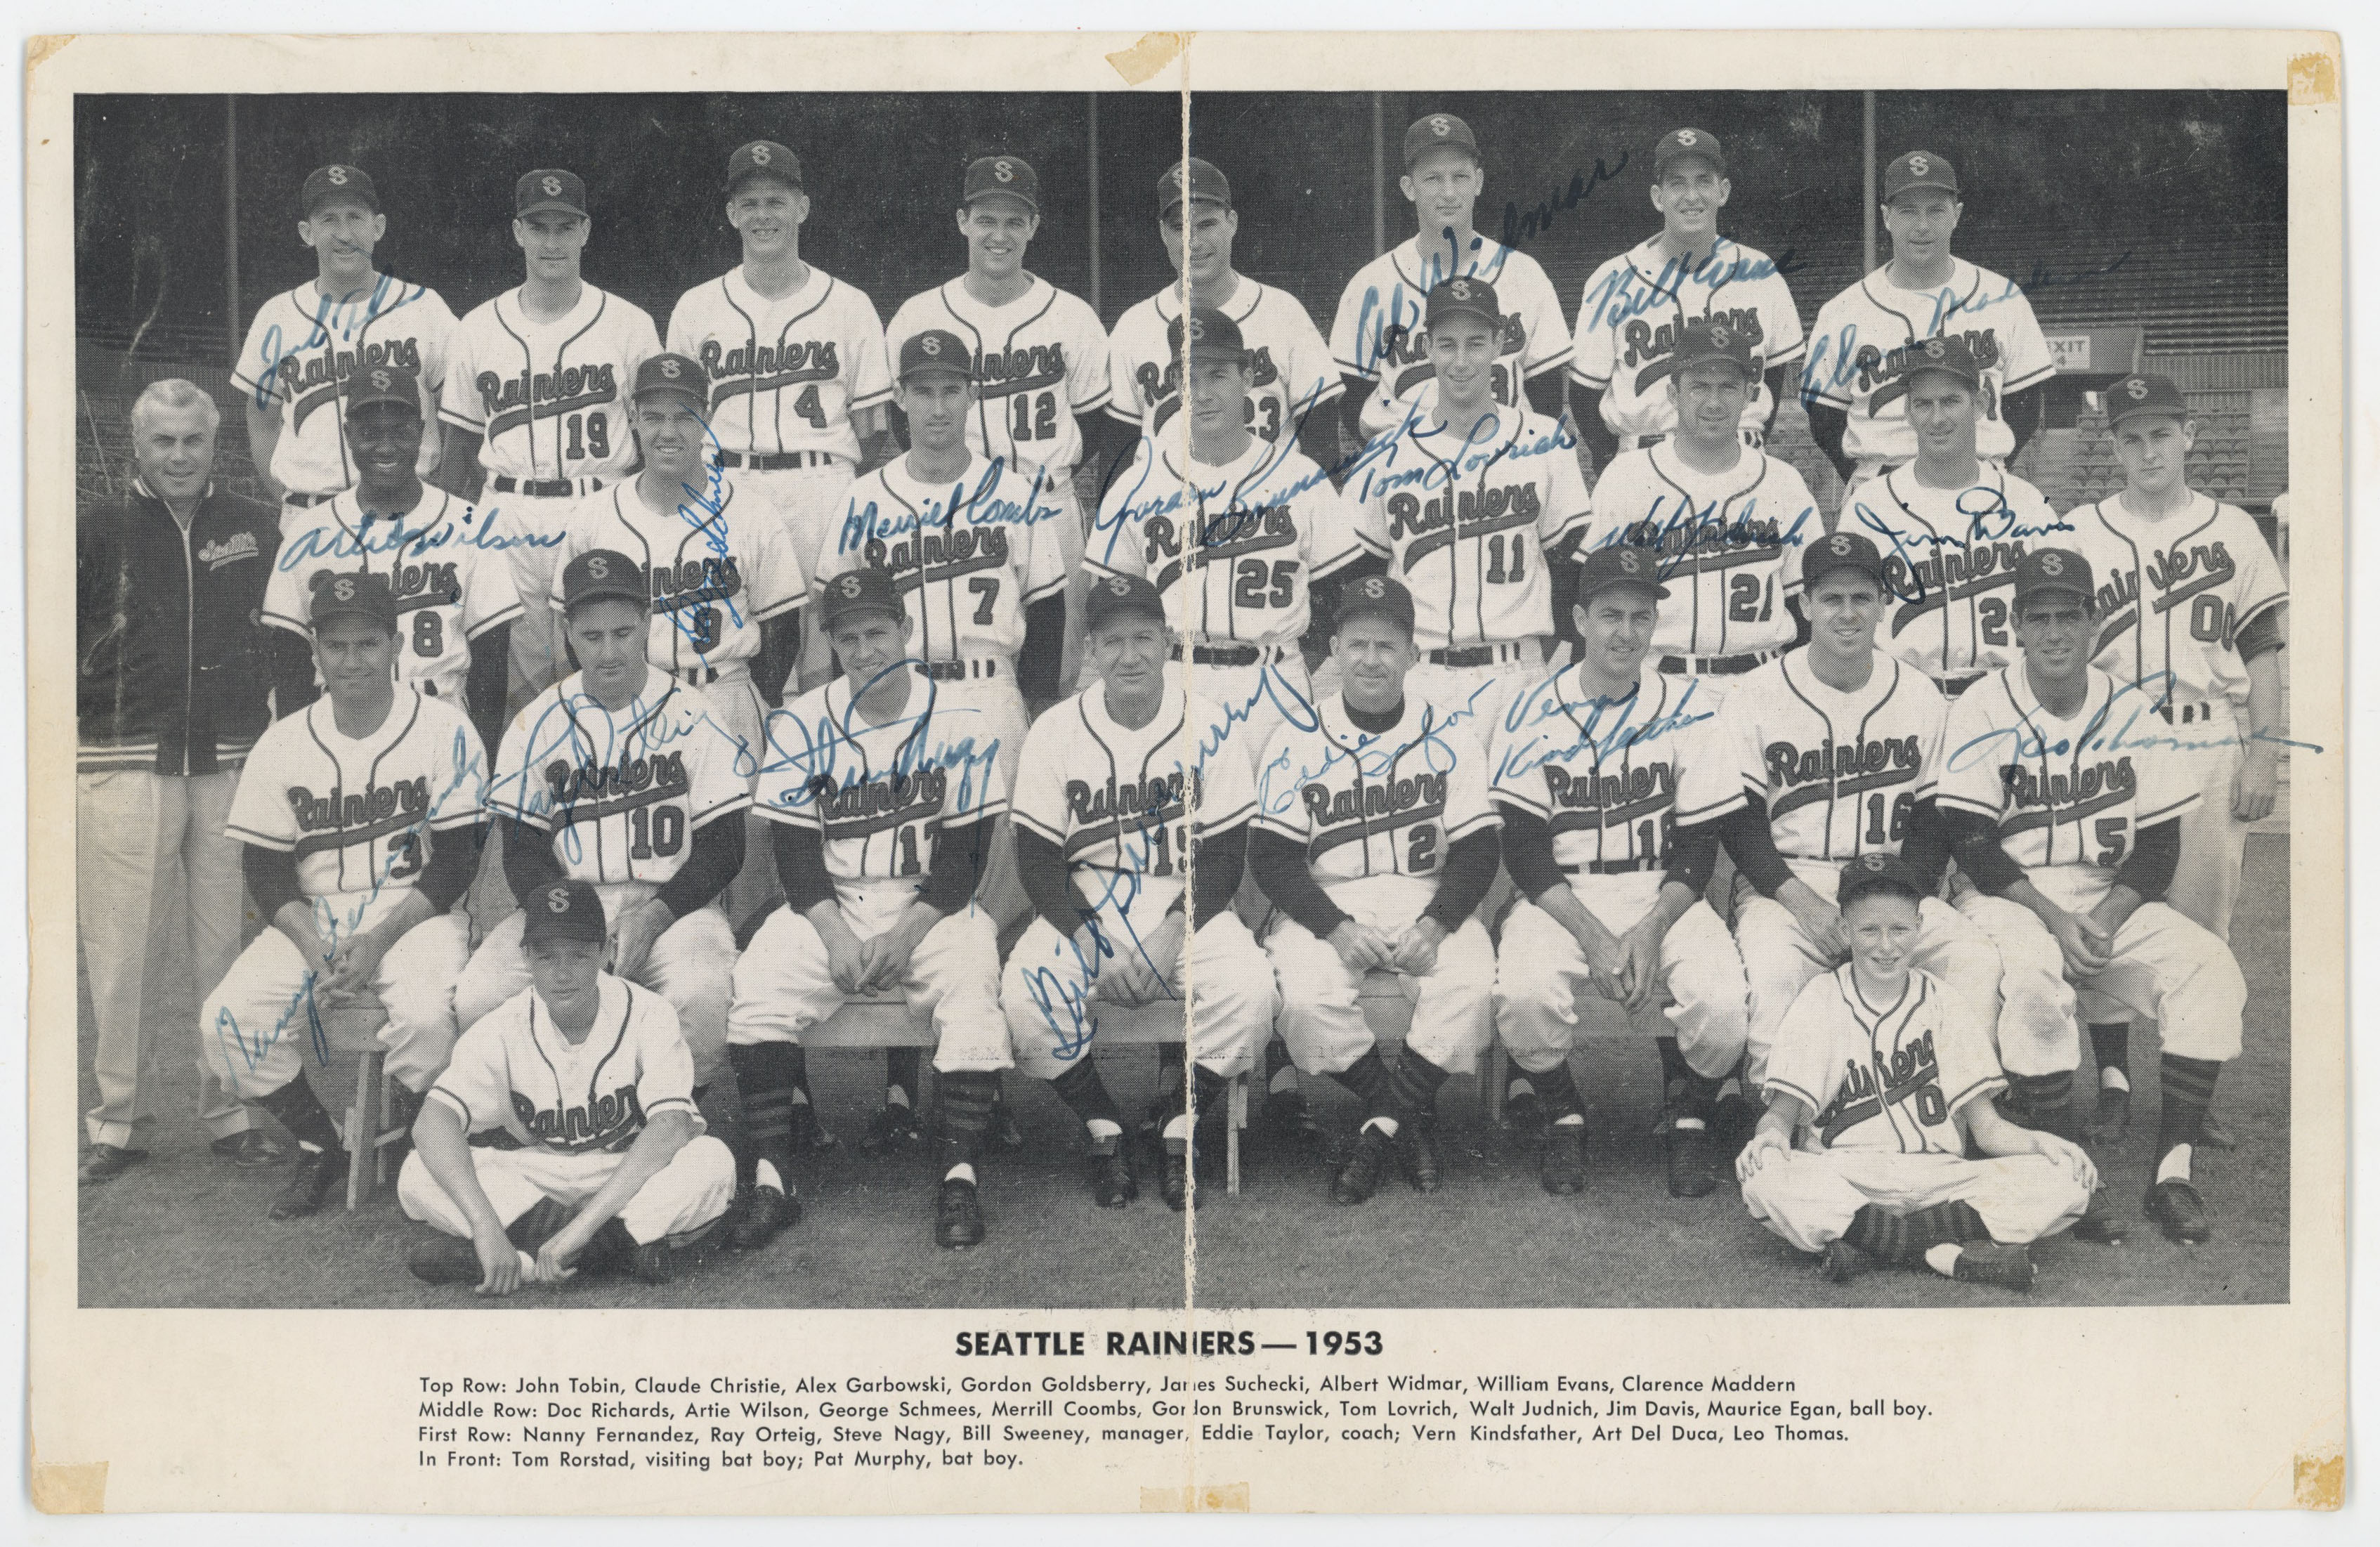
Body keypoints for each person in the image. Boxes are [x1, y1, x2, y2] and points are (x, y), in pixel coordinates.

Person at [1937, 548, 2249, 1244]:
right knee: (2033, 982)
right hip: (2009, 897)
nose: (2055, 632)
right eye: (2039, 617)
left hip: (2109, 895)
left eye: (2069, 616)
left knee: (2208, 966)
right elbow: (1971, 842)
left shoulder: (2131, 709)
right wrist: (2055, 919)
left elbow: (2159, 846)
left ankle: (2172, 1171)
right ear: (2015, 626)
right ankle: (2062, 1172)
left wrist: (2103, 919)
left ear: (2093, 623)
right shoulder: (1981, 706)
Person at [813, 328, 1071, 1146]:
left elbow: (1050, 611)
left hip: (989, 691)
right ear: (898, 401)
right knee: (901, 876)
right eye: (921, 391)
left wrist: (1034, 714)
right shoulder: (864, 497)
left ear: (971, 396)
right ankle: (898, 1089)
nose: (936, 406)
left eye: (950, 390)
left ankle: (979, 1080)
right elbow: (835, 613)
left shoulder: (1015, 492)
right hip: (896, 700)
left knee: (995, 891)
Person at [726, 569, 1011, 1250]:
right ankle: (773, 1182)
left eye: (877, 632)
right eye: (847, 638)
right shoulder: (802, 720)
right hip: (832, 903)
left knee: (973, 983)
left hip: (932, 906)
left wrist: (907, 935)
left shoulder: (961, 717)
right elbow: (795, 851)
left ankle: (960, 1177)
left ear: (906, 631)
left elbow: (966, 854)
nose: (864, 651)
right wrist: (832, 934)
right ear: (830, 643)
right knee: (759, 983)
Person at [200, 573, 487, 1220]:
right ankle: (320, 1144)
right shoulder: (283, 741)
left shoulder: (446, 729)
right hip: (314, 916)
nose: (352, 661)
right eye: (337, 646)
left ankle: (416, 1137)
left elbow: (458, 859)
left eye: (367, 644)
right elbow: (265, 866)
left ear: (396, 645)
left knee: (425, 1018)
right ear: (315, 652)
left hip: (415, 914)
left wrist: (377, 939)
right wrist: (314, 945)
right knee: (225, 1024)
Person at [1687, 532, 2005, 1092]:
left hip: (1895, 881)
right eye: (1831, 599)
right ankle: (1780, 1124)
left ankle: (1955, 1109)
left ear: (1883, 604)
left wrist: (1895, 900)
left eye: (1862, 598)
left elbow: (1933, 821)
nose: (1848, 613)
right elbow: (1741, 823)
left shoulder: (1920, 694)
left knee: (1973, 961)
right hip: (1789, 884)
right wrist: (1801, 902)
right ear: (1805, 605)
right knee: (1775, 973)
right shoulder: (1755, 693)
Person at [1002, 575, 1279, 1212]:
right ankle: (1104, 1125)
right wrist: (1089, 939)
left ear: (1169, 643)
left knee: (1251, 994)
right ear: (1091, 651)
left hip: (1186, 902)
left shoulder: (1210, 723)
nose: (1130, 656)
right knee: (1024, 995)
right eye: (1113, 642)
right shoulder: (1055, 730)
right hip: (1085, 900)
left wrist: (1171, 932)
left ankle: (1180, 1121)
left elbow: (1224, 855)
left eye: (1144, 639)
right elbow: (1038, 859)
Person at [2065, 374, 2288, 1149]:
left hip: (2204, 738)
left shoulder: (2234, 530)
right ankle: (2113, 1081)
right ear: (2114, 448)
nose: (2148, 451)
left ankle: (2192, 1093)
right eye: (2132, 438)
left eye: (2161, 434)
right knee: (2101, 907)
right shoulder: (2080, 531)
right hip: (2110, 741)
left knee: (2202, 923)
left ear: (2189, 436)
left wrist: (2264, 753)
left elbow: (2262, 651)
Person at [1489, 547, 1752, 1198]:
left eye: (1640, 616)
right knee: (1524, 994)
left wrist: (1652, 928)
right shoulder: (1528, 709)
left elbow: (1700, 842)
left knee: (1725, 1009)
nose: (1625, 632)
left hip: (1662, 890)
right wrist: (1596, 937)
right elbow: (1524, 849)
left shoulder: (1691, 707)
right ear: (1580, 619)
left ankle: (1689, 1105)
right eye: (1610, 615)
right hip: (1561, 895)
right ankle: (1562, 1109)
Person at [77, 379, 286, 1181]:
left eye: (193, 440)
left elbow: (279, 638)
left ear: (214, 443)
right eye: (162, 441)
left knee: (225, 948)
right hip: (124, 759)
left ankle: (230, 1110)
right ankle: (116, 1121)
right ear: (136, 445)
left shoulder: (254, 526)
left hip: (230, 759)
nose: (178, 456)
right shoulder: (95, 528)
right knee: (123, 951)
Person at [458, 549, 751, 1102]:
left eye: (623, 633)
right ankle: (548, 1117)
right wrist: (571, 929)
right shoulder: (535, 723)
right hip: (565, 905)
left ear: (647, 622)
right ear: (568, 632)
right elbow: (521, 851)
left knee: (702, 996)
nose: (609, 652)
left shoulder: (696, 712)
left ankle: (670, 1116)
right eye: (592, 637)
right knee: (479, 997)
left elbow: (725, 847)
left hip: (672, 905)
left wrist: (656, 916)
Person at [1735, 854, 2096, 1293]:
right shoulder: (1819, 999)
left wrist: (2043, 1143)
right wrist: (1770, 1137)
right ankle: (1942, 1251)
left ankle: (1871, 1243)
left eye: (1899, 929)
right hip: (1845, 1175)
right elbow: (1781, 1114)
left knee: (2065, 1178)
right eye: (1869, 930)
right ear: (1844, 930)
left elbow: (1987, 1130)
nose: (1886, 945)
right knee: (1764, 1174)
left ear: (1920, 929)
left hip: (1939, 1179)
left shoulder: (1945, 1001)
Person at [1250, 574, 1498, 1204]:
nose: (1370, 659)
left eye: (1386, 646)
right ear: (1334, 648)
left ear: (1413, 653)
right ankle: (1401, 1119)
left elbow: (1478, 849)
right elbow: (1272, 857)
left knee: (1472, 985)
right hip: (1326, 904)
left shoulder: (1450, 733)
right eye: (1357, 644)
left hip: (1424, 897)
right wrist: (1333, 927)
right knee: (1305, 998)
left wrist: (1436, 924)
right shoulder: (1297, 736)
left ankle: (1376, 1133)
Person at [547, 352, 807, 928]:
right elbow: (571, 633)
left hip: (723, 694)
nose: (669, 431)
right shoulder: (595, 516)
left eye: (685, 416)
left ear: (706, 418)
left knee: (744, 870)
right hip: (630, 706)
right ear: (633, 419)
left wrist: (752, 699)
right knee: (652, 864)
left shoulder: (752, 513)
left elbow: (783, 630)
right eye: (655, 416)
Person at [399, 878, 737, 1292]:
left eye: (577, 955)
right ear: (527, 958)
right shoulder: (501, 1026)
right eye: (547, 957)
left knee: (711, 1161)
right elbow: (432, 1123)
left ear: (604, 952)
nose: (562, 974)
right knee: (417, 1172)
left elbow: (670, 1128)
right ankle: (615, 1249)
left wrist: (582, 1226)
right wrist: (485, 1225)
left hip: (626, 1171)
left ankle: (530, 1259)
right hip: (542, 1175)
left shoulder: (650, 1014)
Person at [886, 155, 1128, 684]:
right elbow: (903, 420)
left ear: (1034, 226)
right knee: (955, 660)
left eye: (1014, 221)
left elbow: (1097, 424)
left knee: (1057, 673)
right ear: (962, 222)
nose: (1000, 235)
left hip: (1047, 503)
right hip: (956, 512)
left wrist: (1044, 471)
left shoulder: (1071, 315)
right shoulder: (919, 315)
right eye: (986, 220)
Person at [666, 139, 896, 691]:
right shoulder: (697, 307)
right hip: (727, 484)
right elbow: (677, 421)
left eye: (776, 201)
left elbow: (874, 431)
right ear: (732, 214)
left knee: (831, 634)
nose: (763, 215)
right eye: (750, 203)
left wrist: (845, 487)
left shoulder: (849, 305)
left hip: (822, 485)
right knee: (734, 632)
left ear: (802, 208)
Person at [1086, 307, 1363, 764]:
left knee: (1279, 810)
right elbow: (1111, 607)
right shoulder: (1137, 486)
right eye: (1189, 379)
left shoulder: (1300, 478)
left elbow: (1341, 598)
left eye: (1217, 376)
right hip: (1174, 681)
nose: (1202, 394)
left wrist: (1288, 657)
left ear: (1247, 377)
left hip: (1274, 684)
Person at [1335, 278, 1592, 749]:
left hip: (1520, 672)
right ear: (1427, 349)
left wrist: (1554, 656)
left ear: (1499, 345)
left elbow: (1570, 566)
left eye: (1476, 343)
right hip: (1423, 675)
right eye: (1447, 344)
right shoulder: (1386, 455)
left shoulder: (1544, 442)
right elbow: (1363, 575)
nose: (1461, 360)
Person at [440, 168, 661, 704]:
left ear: (585, 231)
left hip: (599, 502)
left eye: (565, 227)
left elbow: (655, 436)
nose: (552, 242)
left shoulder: (630, 324)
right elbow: (458, 452)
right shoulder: (476, 328)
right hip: (506, 512)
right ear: (518, 232)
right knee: (510, 679)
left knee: (604, 663)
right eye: (539, 227)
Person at [259, 363, 521, 757]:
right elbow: (292, 668)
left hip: (441, 723)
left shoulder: (471, 525)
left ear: (420, 432)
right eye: (370, 433)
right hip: (339, 726)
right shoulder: (307, 532)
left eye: (399, 431)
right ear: (349, 435)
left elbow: (490, 668)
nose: (385, 447)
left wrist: (480, 761)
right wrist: (308, 758)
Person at [1803, 151, 2056, 492]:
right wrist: (1869, 482)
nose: (1922, 226)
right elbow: (1824, 417)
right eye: (1908, 211)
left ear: (1956, 215)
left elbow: (2025, 405)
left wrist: (1983, 466)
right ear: (1886, 218)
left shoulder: (2004, 298)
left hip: (1980, 481)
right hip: (1880, 481)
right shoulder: (1842, 311)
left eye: (1935, 210)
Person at [1831, 336, 2065, 698]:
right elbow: (1845, 615)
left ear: (1981, 404)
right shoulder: (1869, 507)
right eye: (1924, 404)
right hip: (1905, 697)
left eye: (1951, 401)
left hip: (2005, 696)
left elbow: (2064, 611)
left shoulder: (2027, 503)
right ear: (1908, 411)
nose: (1937, 418)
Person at [230, 164, 459, 531]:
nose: (344, 235)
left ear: (378, 228)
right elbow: (262, 419)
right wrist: (285, 495)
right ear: (307, 233)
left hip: (406, 512)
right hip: (310, 512)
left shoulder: (424, 307)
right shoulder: (277, 314)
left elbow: (460, 413)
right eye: (329, 220)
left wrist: (437, 499)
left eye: (355, 218)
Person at [1567, 129, 1807, 472]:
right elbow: (1584, 394)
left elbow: (1773, 378)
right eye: (1677, 183)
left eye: (1703, 181)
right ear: (1657, 197)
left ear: (1723, 191)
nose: (1691, 196)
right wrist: (1616, 467)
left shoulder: (1761, 274)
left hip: (1741, 456)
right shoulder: (1612, 280)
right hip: (1645, 459)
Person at [1329, 112, 1571, 446]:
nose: (1449, 192)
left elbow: (1548, 397)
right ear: (1409, 188)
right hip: (1407, 459)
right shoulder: (1370, 286)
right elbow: (1353, 402)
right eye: (1433, 179)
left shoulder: (1525, 275)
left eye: (1460, 177)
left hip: (1505, 455)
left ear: (1479, 182)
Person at [1106, 158, 1342, 475]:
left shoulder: (1283, 313)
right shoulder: (1134, 326)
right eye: (1180, 228)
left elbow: (1322, 441)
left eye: (1207, 225)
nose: (1194, 242)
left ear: (1232, 223)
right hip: (1168, 500)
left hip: (1268, 499)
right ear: (1163, 233)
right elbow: (1118, 457)